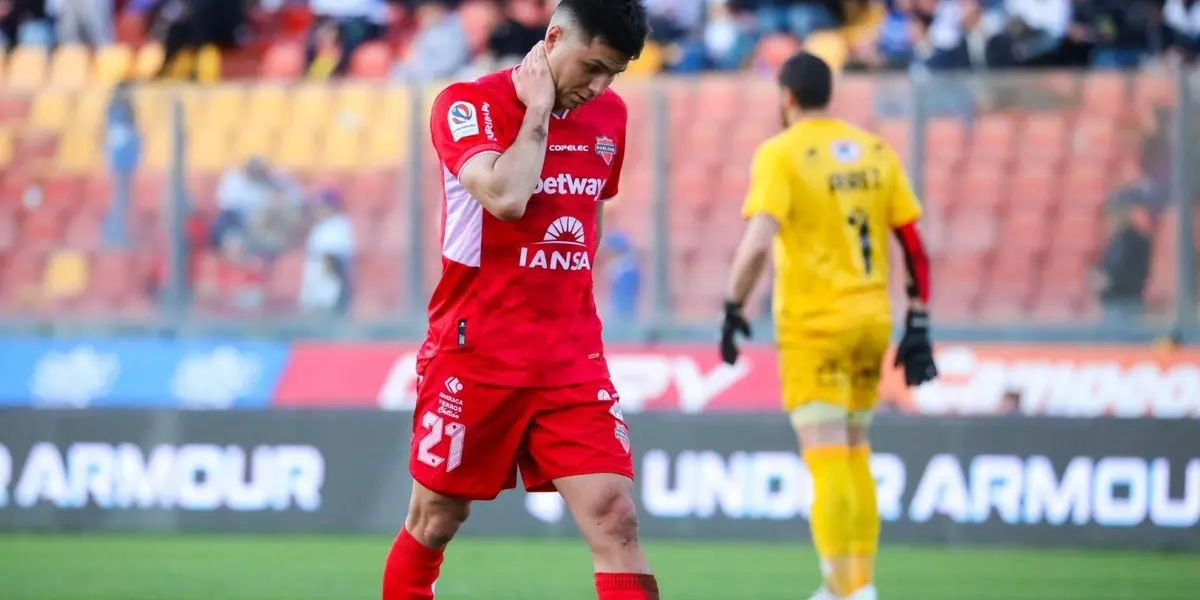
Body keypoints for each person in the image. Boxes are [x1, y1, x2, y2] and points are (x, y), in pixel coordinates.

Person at [380, 2, 658, 600]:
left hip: (569, 356)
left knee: (615, 516)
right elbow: (505, 197)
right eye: (593, 66)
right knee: (435, 520)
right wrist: (537, 112)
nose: (601, 86)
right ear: (554, 37)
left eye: (615, 72)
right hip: (476, 351)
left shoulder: (610, 115)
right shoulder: (466, 105)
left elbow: (590, 217)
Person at [718, 52, 938, 600]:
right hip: (872, 321)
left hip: (815, 325)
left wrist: (732, 306)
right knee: (857, 450)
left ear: (786, 97)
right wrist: (920, 321)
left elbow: (757, 243)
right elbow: (913, 244)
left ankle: (844, 590)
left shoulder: (782, 153)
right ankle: (858, 583)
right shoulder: (874, 149)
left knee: (826, 456)